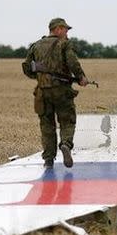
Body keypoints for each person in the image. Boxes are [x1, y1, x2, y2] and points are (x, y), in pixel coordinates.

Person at [24, 17, 88, 169]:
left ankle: (48, 160)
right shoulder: (63, 44)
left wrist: (40, 77)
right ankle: (65, 144)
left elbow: (27, 68)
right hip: (62, 91)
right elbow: (73, 62)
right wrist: (81, 77)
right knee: (67, 121)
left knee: (47, 126)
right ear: (58, 29)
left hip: (42, 92)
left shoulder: (36, 46)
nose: (67, 32)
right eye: (65, 29)